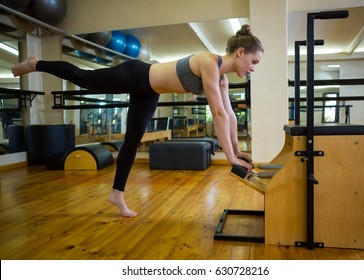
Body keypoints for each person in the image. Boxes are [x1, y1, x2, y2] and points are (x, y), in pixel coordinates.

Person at [12, 24, 264, 218]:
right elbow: (217, 113)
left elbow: (229, 115)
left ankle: (116, 194)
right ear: (240, 52)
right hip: (136, 74)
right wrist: (230, 157)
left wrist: (239, 150)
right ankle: (37, 63)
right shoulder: (210, 63)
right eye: (253, 61)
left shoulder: (223, 79)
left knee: (131, 142)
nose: (253, 67)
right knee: (86, 79)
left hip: (149, 93)